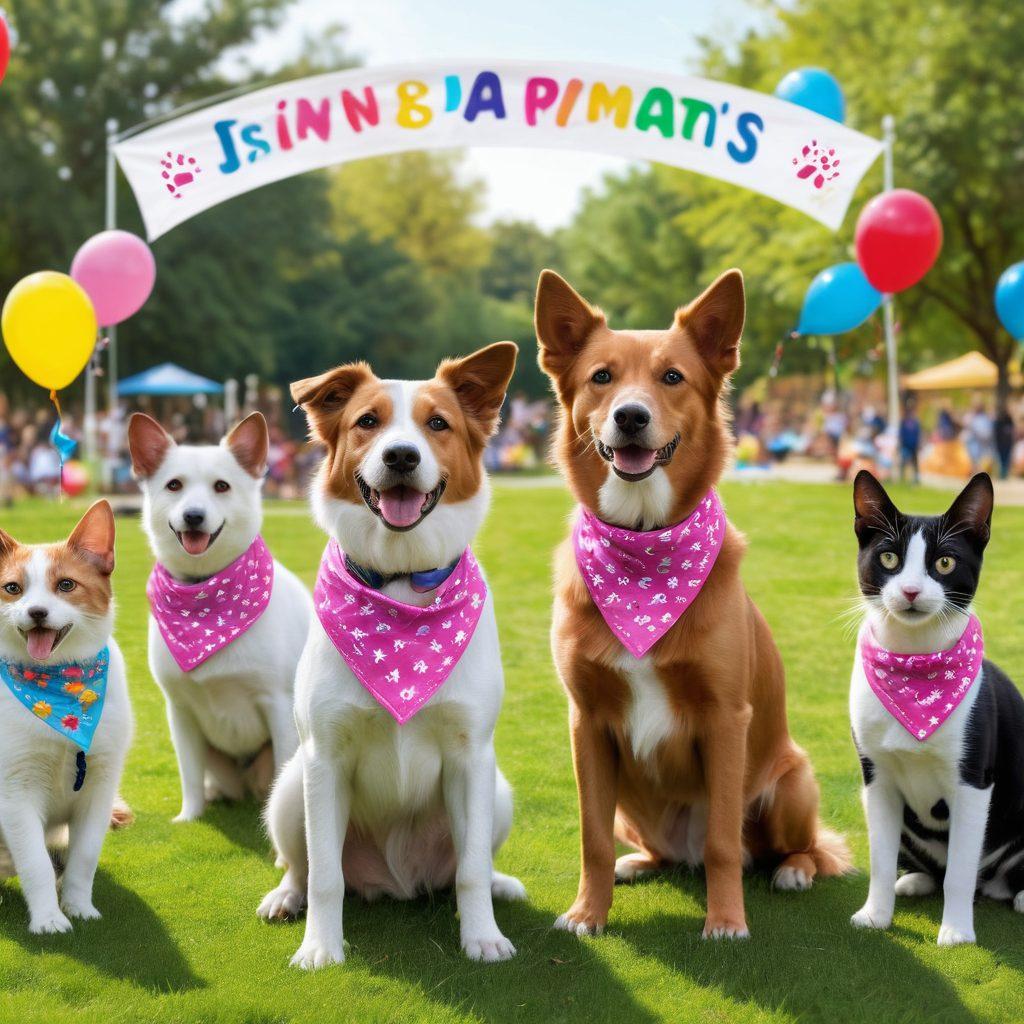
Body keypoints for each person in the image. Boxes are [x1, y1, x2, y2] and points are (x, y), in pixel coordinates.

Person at [964, 400, 994, 472]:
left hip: (982, 449)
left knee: (980, 469)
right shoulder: (977, 418)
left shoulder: (983, 419)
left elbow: (986, 434)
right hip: (975, 448)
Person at [898, 396, 922, 483]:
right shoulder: (904, 421)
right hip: (905, 444)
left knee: (915, 463)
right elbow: (901, 433)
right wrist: (901, 443)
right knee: (903, 462)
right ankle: (902, 478)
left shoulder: (915, 421)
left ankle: (916, 479)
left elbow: (918, 433)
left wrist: (919, 443)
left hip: (913, 445)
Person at [995, 408, 1016, 480]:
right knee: (1002, 459)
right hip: (1002, 443)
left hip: (1007, 443)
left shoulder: (1009, 421)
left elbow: (1012, 432)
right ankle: (1002, 474)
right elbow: (997, 434)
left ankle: (1004, 474)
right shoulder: (999, 422)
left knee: (1005, 459)